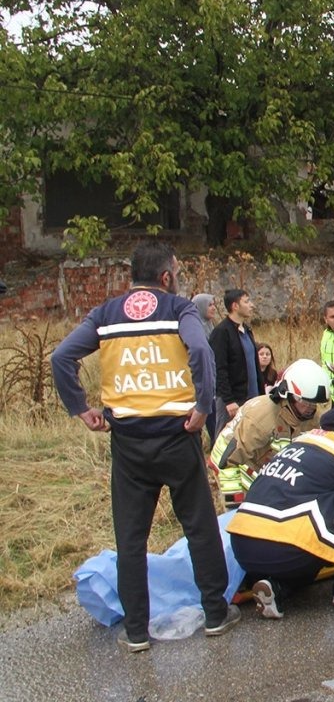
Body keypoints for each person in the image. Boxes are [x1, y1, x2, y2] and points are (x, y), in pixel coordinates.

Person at [51, 240, 239, 653]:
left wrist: (80, 408)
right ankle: (215, 614)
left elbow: (61, 358)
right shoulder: (179, 309)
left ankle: (136, 631)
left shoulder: (106, 314)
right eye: (177, 272)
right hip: (177, 435)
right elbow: (200, 350)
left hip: (129, 443)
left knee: (130, 540)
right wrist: (203, 407)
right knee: (199, 528)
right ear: (166, 276)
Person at [227, 406, 334, 620]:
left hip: (243, 548)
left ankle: (276, 588)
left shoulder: (297, 444)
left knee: (307, 546)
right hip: (285, 549)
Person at [210, 359, 329, 506]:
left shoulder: (309, 417)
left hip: (261, 464)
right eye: (305, 402)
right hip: (231, 465)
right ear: (289, 395)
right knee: (244, 513)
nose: (311, 408)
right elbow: (229, 461)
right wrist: (235, 503)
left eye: (314, 403)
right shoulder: (262, 418)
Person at [209, 289, 259, 435]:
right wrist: (228, 400)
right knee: (225, 437)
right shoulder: (221, 332)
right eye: (246, 301)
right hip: (233, 399)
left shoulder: (247, 330)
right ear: (235, 306)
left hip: (252, 397)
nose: (251, 305)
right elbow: (219, 368)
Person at [192, 292, 220, 443]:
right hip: (203, 381)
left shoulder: (211, 327)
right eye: (209, 305)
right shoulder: (195, 330)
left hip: (215, 379)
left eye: (214, 304)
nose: (213, 308)